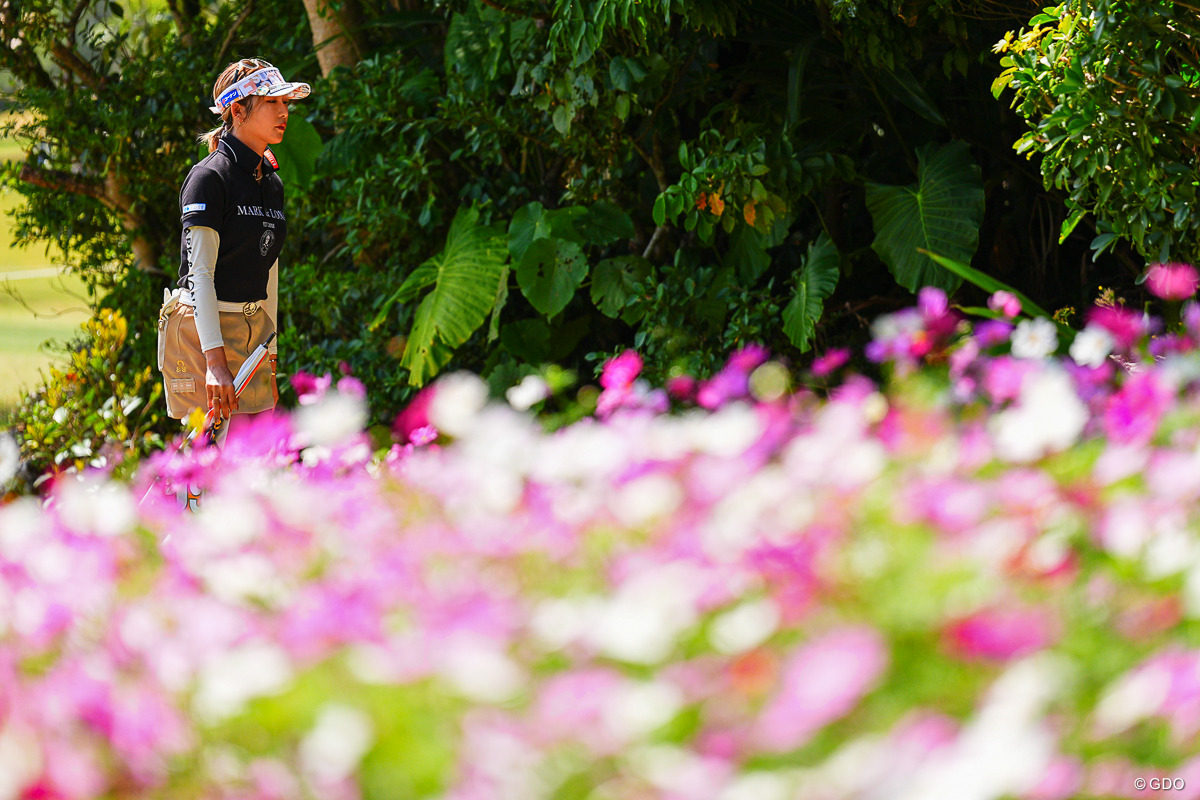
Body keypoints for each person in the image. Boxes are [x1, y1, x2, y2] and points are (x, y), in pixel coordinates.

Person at [157, 58, 310, 447]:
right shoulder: (209, 178)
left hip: (253, 330)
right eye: (271, 102)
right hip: (202, 335)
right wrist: (215, 364)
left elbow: (268, 270)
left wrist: (270, 352)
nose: (283, 111)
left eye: (284, 102)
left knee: (256, 457)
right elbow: (200, 275)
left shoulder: (270, 183)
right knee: (213, 465)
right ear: (238, 111)